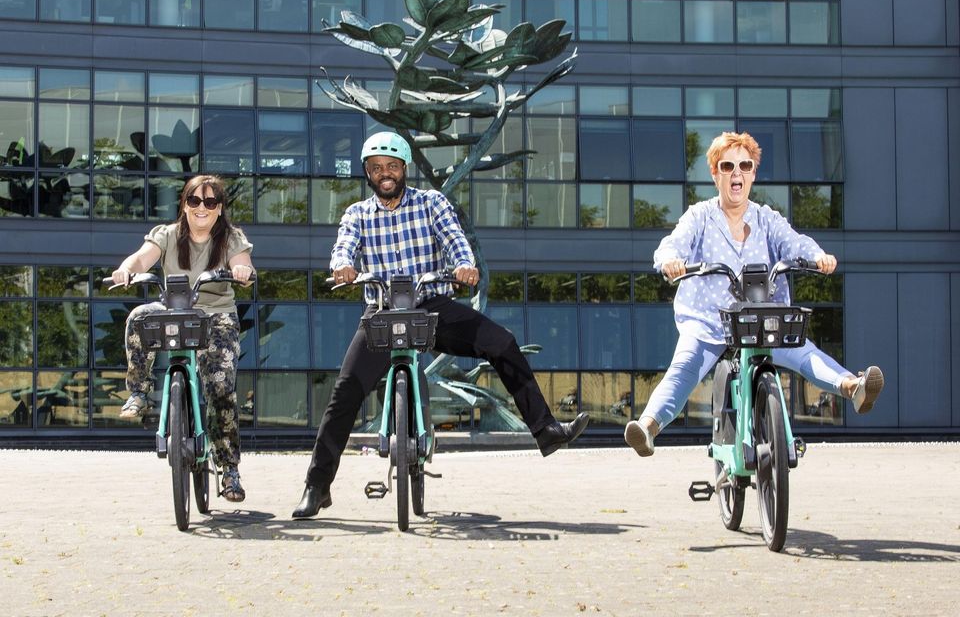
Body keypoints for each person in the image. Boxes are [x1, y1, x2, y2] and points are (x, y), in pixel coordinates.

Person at [292, 132, 590, 518]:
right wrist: (342, 267)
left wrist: (465, 266)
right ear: (367, 172)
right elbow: (344, 247)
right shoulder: (357, 214)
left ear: (404, 169)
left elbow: (454, 240)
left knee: (501, 342)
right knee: (345, 393)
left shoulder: (431, 203)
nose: (385, 174)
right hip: (381, 313)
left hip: (431, 307)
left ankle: (546, 430)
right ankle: (317, 487)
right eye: (377, 168)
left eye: (392, 167)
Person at [624, 131, 884, 457]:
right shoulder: (700, 217)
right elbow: (673, 244)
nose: (737, 173)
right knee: (685, 367)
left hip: (763, 319)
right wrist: (671, 262)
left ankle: (852, 387)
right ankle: (647, 428)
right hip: (708, 321)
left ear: (753, 173)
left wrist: (817, 257)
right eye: (728, 166)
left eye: (745, 166)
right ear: (715, 174)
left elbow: (794, 242)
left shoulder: (767, 218)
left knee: (804, 352)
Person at [110, 175, 255, 502]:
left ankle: (229, 469)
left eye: (210, 202)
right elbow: (141, 258)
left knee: (220, 388)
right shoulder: (167, 235)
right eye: (194, 201)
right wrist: (126, 269)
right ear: (184, 205)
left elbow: (242, 263)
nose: (201, 208)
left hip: (215, 315)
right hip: (174, 309)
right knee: (137, 318)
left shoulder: (231, 238)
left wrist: (243, 271)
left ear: (219, 209)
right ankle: (140, 392)